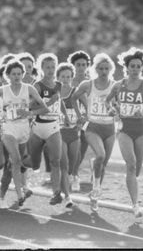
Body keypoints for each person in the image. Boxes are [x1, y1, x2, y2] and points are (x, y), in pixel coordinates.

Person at [105, 47, 143, 218]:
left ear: (141, 67)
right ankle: (135, 205)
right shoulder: (118, 85)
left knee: (136, 170)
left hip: (141, 132)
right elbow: (107, 102)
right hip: (124, 130)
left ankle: (132, 186)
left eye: (138, 66)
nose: (135, 69)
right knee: (131, 164)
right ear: (127, 68)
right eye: (133, 66)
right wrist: (112, 110)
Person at [0, 59, 48, 206]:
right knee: (16, 159)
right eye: (13, 74)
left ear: (23, 74)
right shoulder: (3, 90)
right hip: (8, 129)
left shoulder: (29, 89)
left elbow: (45, 108)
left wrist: (28, 112)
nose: (17, 76)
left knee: (19, 164)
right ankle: (20, 194)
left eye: (19, 73)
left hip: (24, 130)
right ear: (8, 75)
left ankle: (6, 194)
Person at [72, 53, 116, 212]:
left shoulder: (115, 86)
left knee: (102, 164)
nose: (104, 71)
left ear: (111, 69)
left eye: (106, 68)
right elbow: (73, 98)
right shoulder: (87, 84)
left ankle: (94, 195)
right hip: (93, 127)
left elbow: (118, 105)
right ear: (96, 69)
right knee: (101, 155)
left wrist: (115, 110)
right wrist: (80, 115)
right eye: (101, 68)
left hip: (110, 129)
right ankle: (96, 187)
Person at [28, 53, 70, 205]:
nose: (51, 70)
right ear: (42, 68)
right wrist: (47, 103)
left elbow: (61, 102)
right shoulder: (37, 86)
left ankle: (56, 193)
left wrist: (65, 115)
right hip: (38, 128)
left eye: (53, 67)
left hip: (53, 127)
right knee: (34, 163)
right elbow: (30, 106)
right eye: (47, 67)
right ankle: (18, 167)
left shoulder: (59, 85)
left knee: (55, 161)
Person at [57, 62, 87, 207]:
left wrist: (81, 121)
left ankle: (67, 182)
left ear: (72, 77)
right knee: (64, 164)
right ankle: (67, 196)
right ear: (58, 77)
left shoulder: (76, 92)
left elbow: (88, 110)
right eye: (63, 76)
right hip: (58, 133)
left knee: (73, 162)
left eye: (68, 76)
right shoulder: (54, 92)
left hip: (74, 133)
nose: (65, 79)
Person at [67, 50, 91, 191]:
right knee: (70, 149)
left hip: (87, 118)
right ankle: (69, 172)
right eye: (78, 64)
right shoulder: (68, 80)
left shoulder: (91, 82)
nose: (81, 67)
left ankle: (75, 175)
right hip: (70, 118)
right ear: (73, 65)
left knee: (82, 148)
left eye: (84, 64)